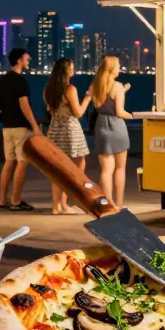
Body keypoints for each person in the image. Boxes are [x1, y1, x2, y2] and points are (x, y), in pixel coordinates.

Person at [0, 48, 41, 211]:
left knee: (9, 162)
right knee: (22, 162)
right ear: (19, 60)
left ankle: (2, 199)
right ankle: (15, 200)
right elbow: (24, 105)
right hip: (20, 127)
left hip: (6, 127)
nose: (28, 62)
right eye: (27, 59)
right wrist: (35, 125)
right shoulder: (20, 81)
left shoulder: (2, 80)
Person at [43, 58, 90, 214]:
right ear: (65, 70)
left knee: (57, 169)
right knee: (75, 168)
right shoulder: (70, 89)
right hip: (70, 130)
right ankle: (64, 204)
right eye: (71, 67)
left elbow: (50, 111)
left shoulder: (48, 89)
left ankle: (56, 205)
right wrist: (88, 98)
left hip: (54, 130)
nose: (73, 70)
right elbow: (78, 112)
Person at [88, 55, 134, 209]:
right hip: (117, 127)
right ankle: (119, 203)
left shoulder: (95, 85)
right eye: (119, 65)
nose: (120, 67)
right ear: (113, 68)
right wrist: (133, 115)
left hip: (101, 126)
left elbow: (105, 103)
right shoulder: (117, 86)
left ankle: (109, 203)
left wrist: (124, 91)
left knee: (106, 170)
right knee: (120, 168)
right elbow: (119, 112)